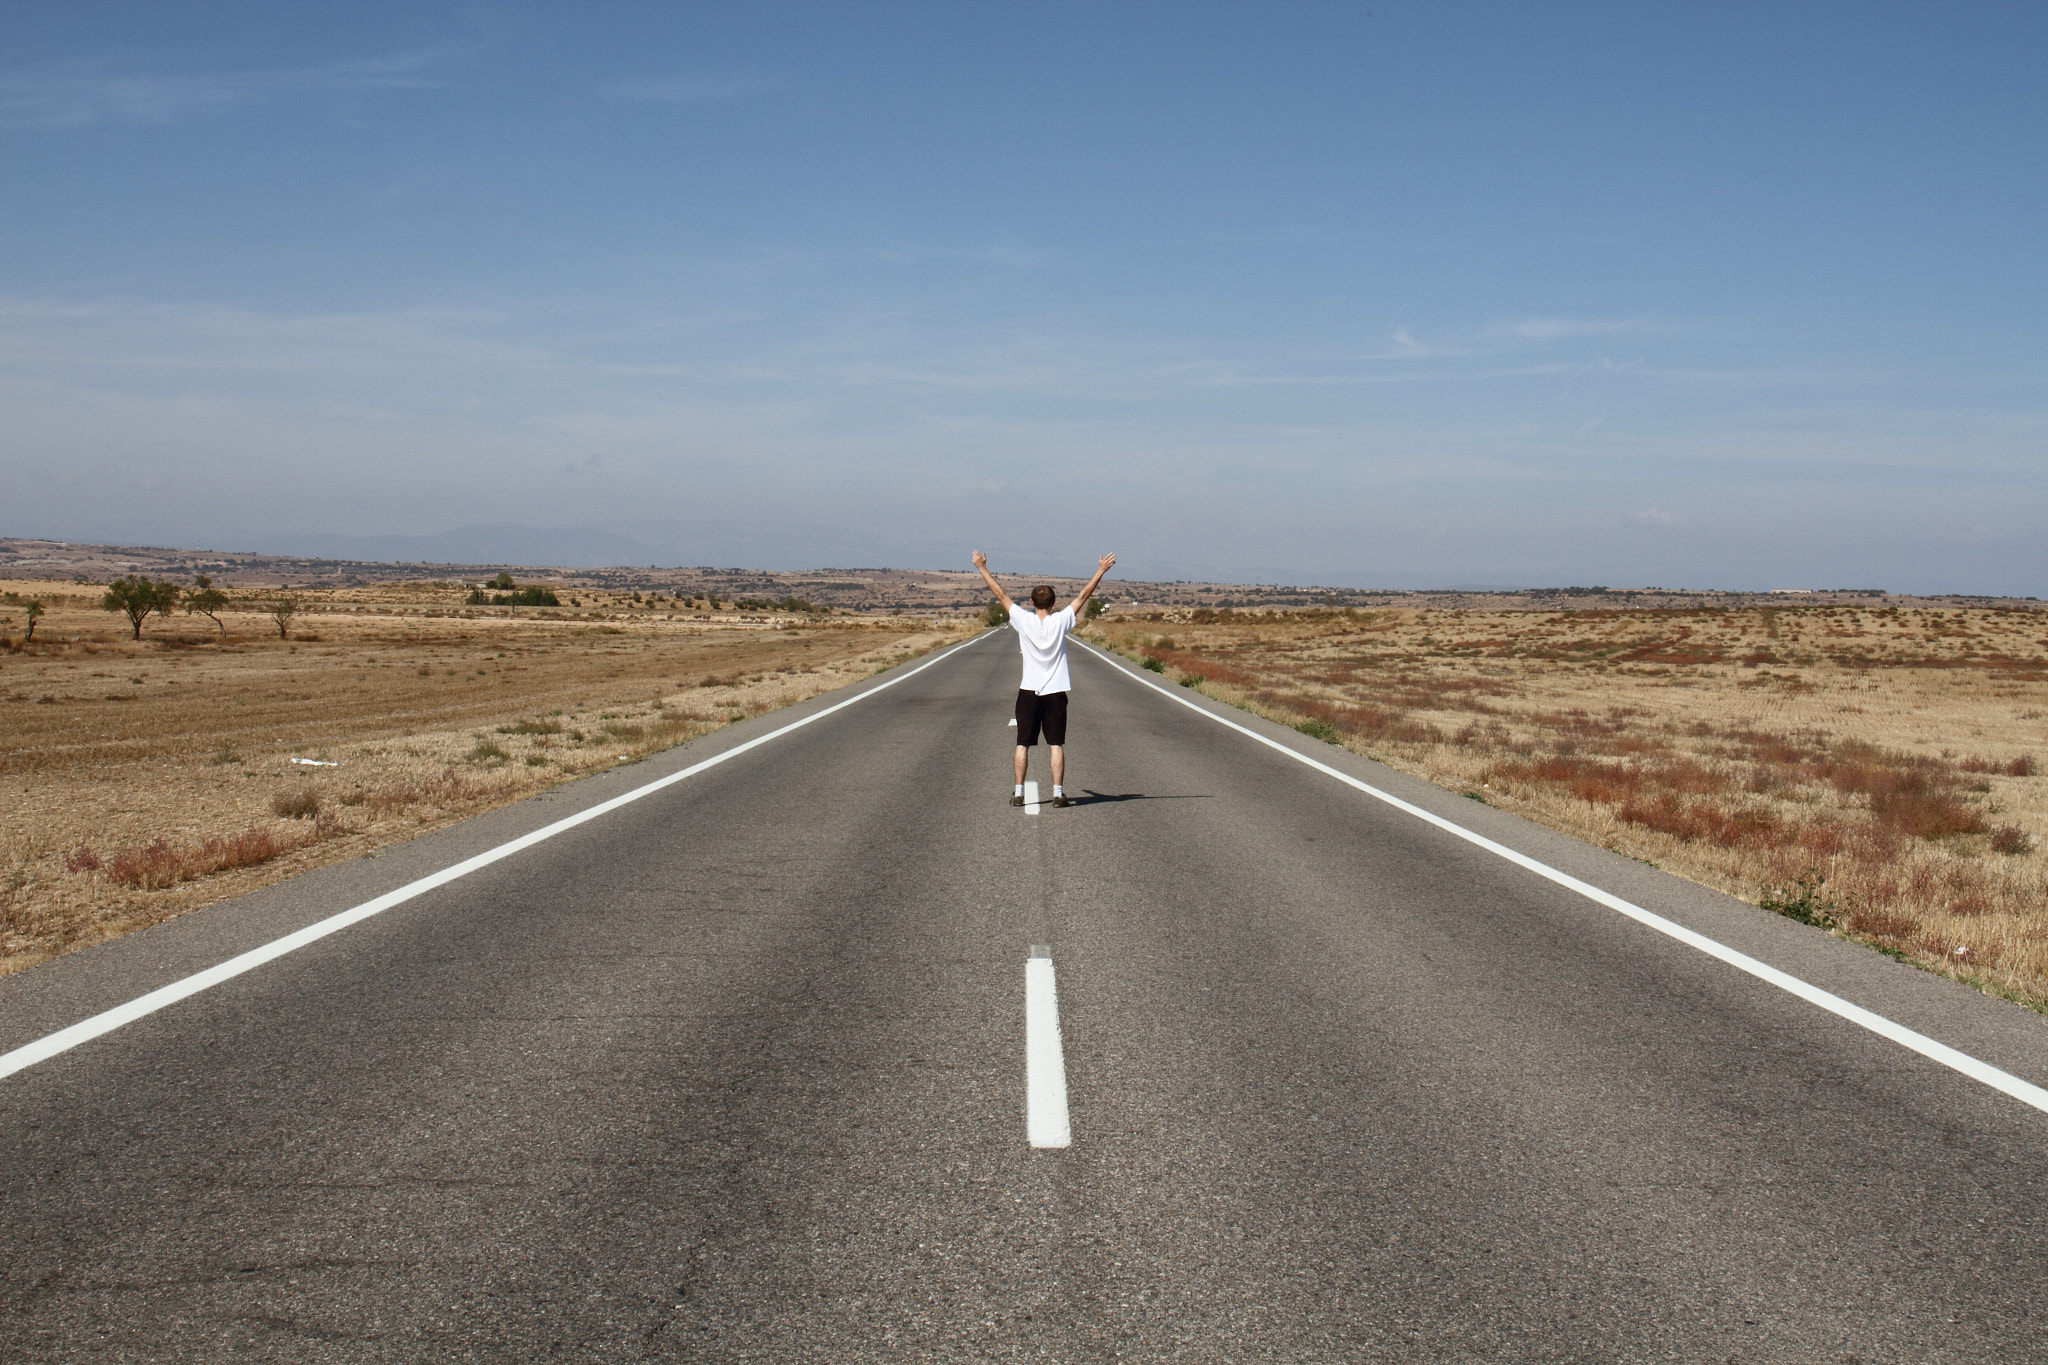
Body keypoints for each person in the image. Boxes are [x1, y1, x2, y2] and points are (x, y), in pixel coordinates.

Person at [972, 550, 1117, 808]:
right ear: (1053, 604)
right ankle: (1058, 794)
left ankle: (1018, 792)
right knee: (1056, 744)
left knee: (1022, 743)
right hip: (1056, 691)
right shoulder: (1061, 621)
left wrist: (982, 568)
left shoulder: (1022, 620)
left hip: (1029, 690)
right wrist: (1100, 570)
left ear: (1031, 601)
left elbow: (1000, 594)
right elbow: (1083, 595)